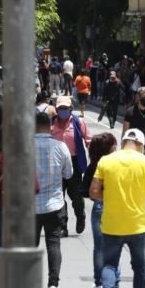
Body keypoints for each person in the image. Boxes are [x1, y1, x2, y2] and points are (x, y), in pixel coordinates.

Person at [89, 128, 145, 288]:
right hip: (137, 225)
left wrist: (111, 197)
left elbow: (94, 191)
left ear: (123, 142)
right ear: (141, 145)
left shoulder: (106, 161)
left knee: (110, 264)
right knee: (140, 268)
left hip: (112, 223)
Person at [35, 112, 73, 288]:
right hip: (55, 204)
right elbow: (68, 174)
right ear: (50, 126)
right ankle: (53, 286)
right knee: (53, 244)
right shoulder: (61, 147)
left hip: (30, 206)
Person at [81, 133, 121, 288]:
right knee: (114, 247)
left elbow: (84, 191)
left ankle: (99, 283)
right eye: (114, 144)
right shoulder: (117, 165)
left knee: (99, 247)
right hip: (116, 207)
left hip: (98, 207)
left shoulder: (93, 166)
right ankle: (113, 285)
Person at [52, 96, 91, 237]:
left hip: (74, 163)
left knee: (76, 196)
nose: (63, 111)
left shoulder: (78, 122)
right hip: (56, 164)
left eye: (65, 108)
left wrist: (95, 156)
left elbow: (88, 140)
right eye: (60, 108)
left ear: (71, 109)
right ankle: (63, 226)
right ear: (56, 109)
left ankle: (80, 215)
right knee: (58, 197)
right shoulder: (51, 124)